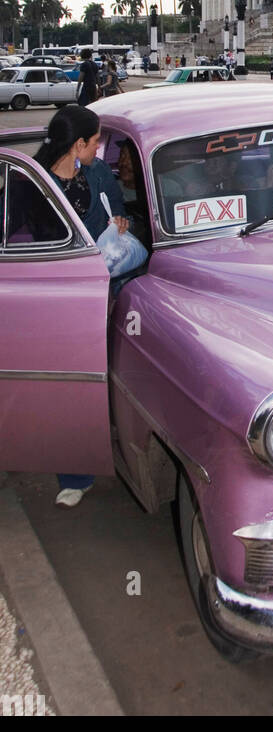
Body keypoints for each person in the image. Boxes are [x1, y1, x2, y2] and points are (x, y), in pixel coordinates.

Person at [36, 106, 130, 508]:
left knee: (109, 379)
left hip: (105, 291)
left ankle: (116, 449)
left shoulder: (99, 174)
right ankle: (75, 475)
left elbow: (119, 211)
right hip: (54, 303)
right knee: (68, 389)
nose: (99, 149)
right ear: (78, 144)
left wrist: (121, 223)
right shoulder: (32, 182)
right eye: (95, 142)